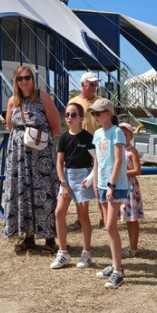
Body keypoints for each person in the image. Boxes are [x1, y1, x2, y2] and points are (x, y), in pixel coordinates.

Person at [4, 65, 62, 255]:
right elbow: (10, 126)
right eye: (20, 79)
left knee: (44, 195)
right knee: (23, 194)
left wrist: (40, 144)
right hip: (19, 157)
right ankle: (28, 237)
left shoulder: (42, 97)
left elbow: (55, 126)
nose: (24, 82)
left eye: (27, 77)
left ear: (33, 79)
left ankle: (50, 239)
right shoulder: (13, 101)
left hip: (41, 157)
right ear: (16, 81)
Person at [87, 98, 129, 289]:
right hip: (103, 184)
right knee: (107, 226)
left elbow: (119, 160)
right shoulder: (97, 133)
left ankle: (118, 271)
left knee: (111, 226)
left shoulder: (117, 132)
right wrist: (95, 182)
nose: (95, 116)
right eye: (93, 113)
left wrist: (111, 185)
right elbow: (97, 160)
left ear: (109, 113)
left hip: (114, 184)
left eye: (98, 113)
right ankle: (114, 265)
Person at [50, 102, 95, 270]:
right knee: (59, 212)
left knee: (82, 215)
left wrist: (89, 179)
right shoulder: (63, 138)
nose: (69, 118)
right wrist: (63, 182)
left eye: (73, 115)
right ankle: (63, 253)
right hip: (67, 178)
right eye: (67, 114)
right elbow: (59, 162)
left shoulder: (88, 138)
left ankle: (86, 253)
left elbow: (96, 160)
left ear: (81, 118)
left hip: (83, 177)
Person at [68, 72, 106, 228]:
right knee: (80, 183)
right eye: (91, 84)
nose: (94, 87)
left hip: (99, 146)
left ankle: (103, 217)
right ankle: (80, 218)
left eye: (96, 84)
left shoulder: (102, 102)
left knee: (101, 181)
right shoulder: (73, 102)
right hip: (80, 146)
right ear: (82, 85)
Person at [118, 122, 143, 258]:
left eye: (125, 133)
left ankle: (133, 247)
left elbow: (137, 170)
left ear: (131, 136)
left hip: (130, 187)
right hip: (121, 186)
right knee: (128, 218)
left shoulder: (132, 151)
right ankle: (131, 245)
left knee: (132, 219)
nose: (123, 136)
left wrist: (122, 173)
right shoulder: (118, 149)